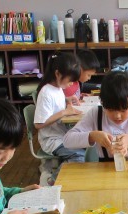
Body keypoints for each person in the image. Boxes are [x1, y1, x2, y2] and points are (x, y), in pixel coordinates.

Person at [63, 71, 128, 160]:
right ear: (102, 103)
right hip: (104, 172)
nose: (117, 116)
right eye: (110, 110)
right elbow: (67, 141)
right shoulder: (96, 113)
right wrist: (92, 136)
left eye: (123, 110)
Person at [34, 52, 86, 185]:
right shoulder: (46, 92)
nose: (71, 84)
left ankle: (58, 172)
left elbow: (55, 106)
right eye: (70, 80)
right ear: (57, 74)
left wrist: (67, 100)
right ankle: (51, 181)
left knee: (88, 146)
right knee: (79, 156)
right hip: (51, 140)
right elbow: (38, 124)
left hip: (62, 135)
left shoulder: (57, 88)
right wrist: (64, 112)